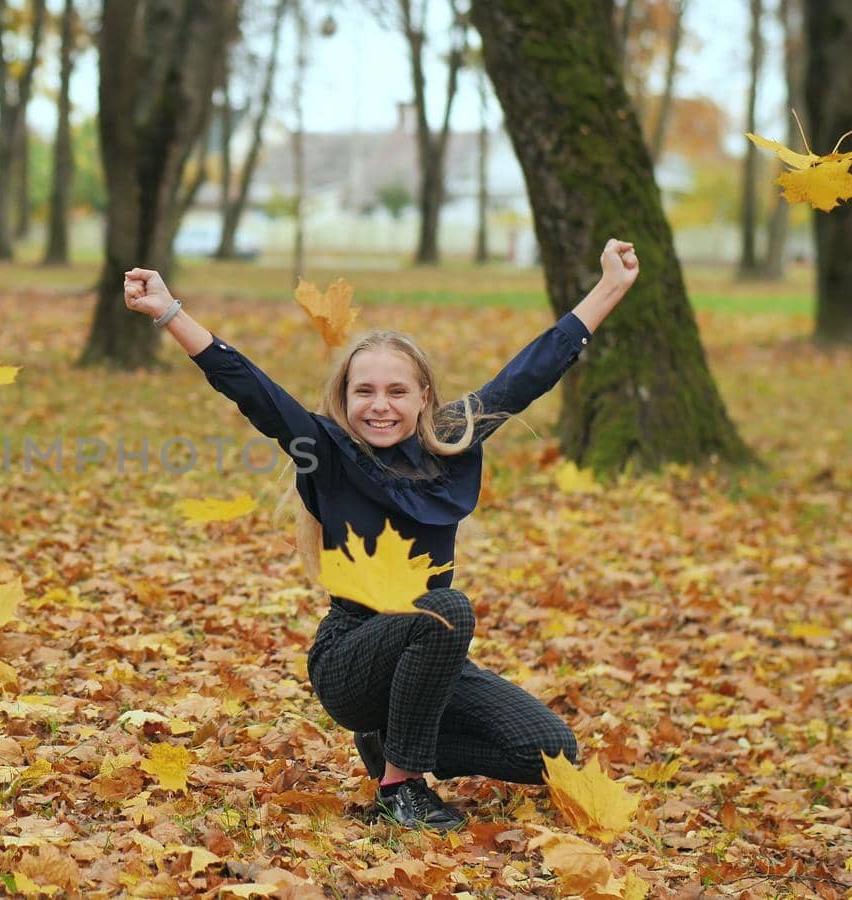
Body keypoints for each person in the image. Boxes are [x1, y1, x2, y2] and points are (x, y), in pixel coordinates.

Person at [122, 239, 641, 831]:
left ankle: (395, 745)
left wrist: (608, 289)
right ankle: (401, 788)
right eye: (363, 391)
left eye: (397, 391)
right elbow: (249, 387)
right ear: (343, 399)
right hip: (352, 658)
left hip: (430, 656)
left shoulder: (449, 443)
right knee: (446, 608)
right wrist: (169, 313)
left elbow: (529, 374)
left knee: (551, 752)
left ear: (424, 397)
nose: (380, 406)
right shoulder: (325, 452)